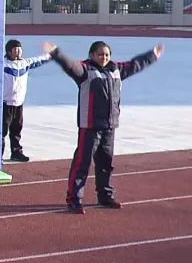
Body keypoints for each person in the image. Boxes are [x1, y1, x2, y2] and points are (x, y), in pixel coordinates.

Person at [44, 40, 162, 213]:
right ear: (92, 55)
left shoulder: (116, 69)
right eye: (100, 54)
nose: (104, 57)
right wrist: (56, 53)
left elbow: (136, 65)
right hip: (90, 126)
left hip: (109, 126)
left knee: (105, 164)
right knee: (82, 164)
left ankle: (105, 196)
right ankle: (74, 199)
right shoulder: (85, 70)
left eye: (106, 54)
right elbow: (69, 65)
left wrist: (152, 55)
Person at [1, 39, 52, 162]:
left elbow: (40, 60)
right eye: (14, 49)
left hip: (19, 103)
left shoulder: (25, 63)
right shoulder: (2, 64)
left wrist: (52, 54)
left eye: (19, 49)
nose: (17, 51)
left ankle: (16, 152)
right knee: (1, 131)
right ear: (8, 51)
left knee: (16, 129)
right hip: (5, 103)